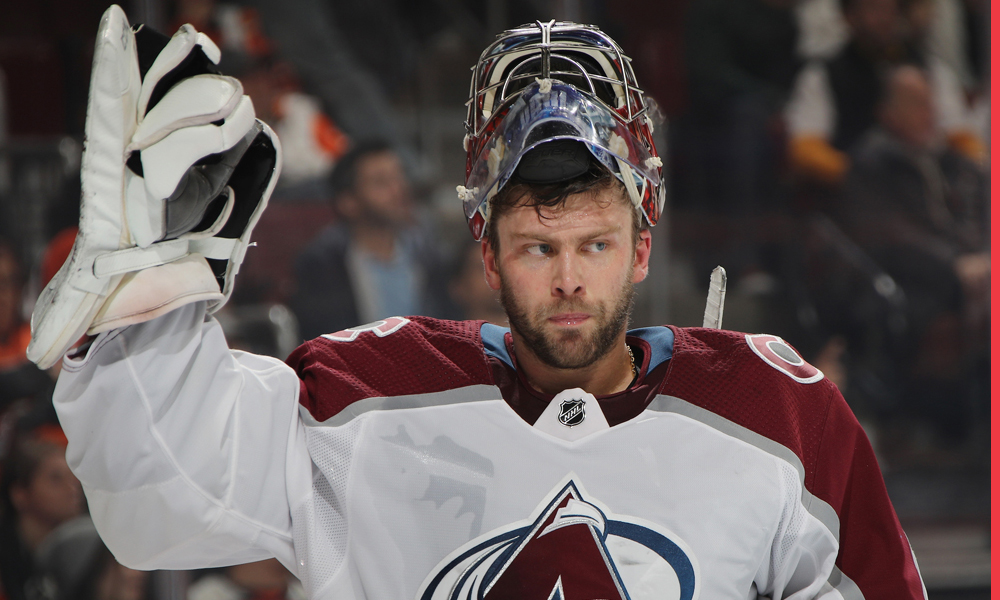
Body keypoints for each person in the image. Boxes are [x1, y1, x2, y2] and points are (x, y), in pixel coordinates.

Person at [29, 9, 925, 600]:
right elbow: (158, 499)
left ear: (644, 246)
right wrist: (142, 305)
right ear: (488, 256)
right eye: (538, 247)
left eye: (595, 245)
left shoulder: (781, 415)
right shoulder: (367, 397)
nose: (570, 280)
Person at [290, 141, 452, 341]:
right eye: (381, 182)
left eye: (399, 176)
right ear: (348, 202)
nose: (398, 189)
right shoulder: (323, 265)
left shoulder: (429, 255)